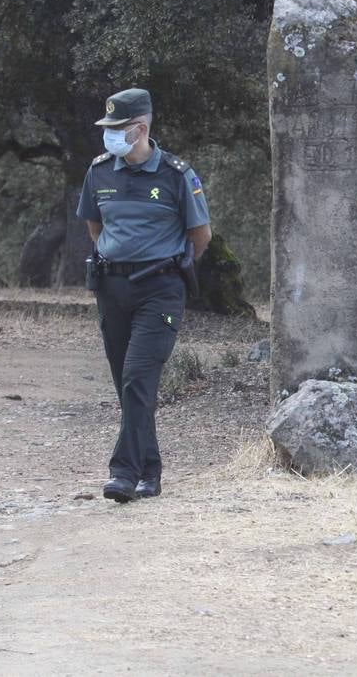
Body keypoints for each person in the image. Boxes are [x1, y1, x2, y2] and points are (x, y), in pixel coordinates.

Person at [78, 89, 211, 503]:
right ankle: (150, 471)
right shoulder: (99, 171)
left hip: (160, 289)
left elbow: (200, 236)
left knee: (139, 377)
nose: (110, 136)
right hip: (112, 288)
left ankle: (123, 472)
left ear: (140, 129)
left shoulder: (176, 174)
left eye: (117, 129)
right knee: (128, 385)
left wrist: (163, 264)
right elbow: (94, 226)